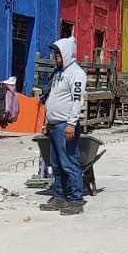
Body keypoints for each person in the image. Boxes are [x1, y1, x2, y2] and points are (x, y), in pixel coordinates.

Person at [41, 36, 88, 215]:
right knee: (56, 164)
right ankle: (59, 197)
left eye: (59, 53)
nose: (56, 57)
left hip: (65, 127)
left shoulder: (76, 74)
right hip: (54, 125)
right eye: (55, 54)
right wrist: (47, 123)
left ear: (67, 53)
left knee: (69, 163)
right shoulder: (59, 73)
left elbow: (77, 101)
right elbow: (52, 98)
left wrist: (71, 123)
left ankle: (76, 200)